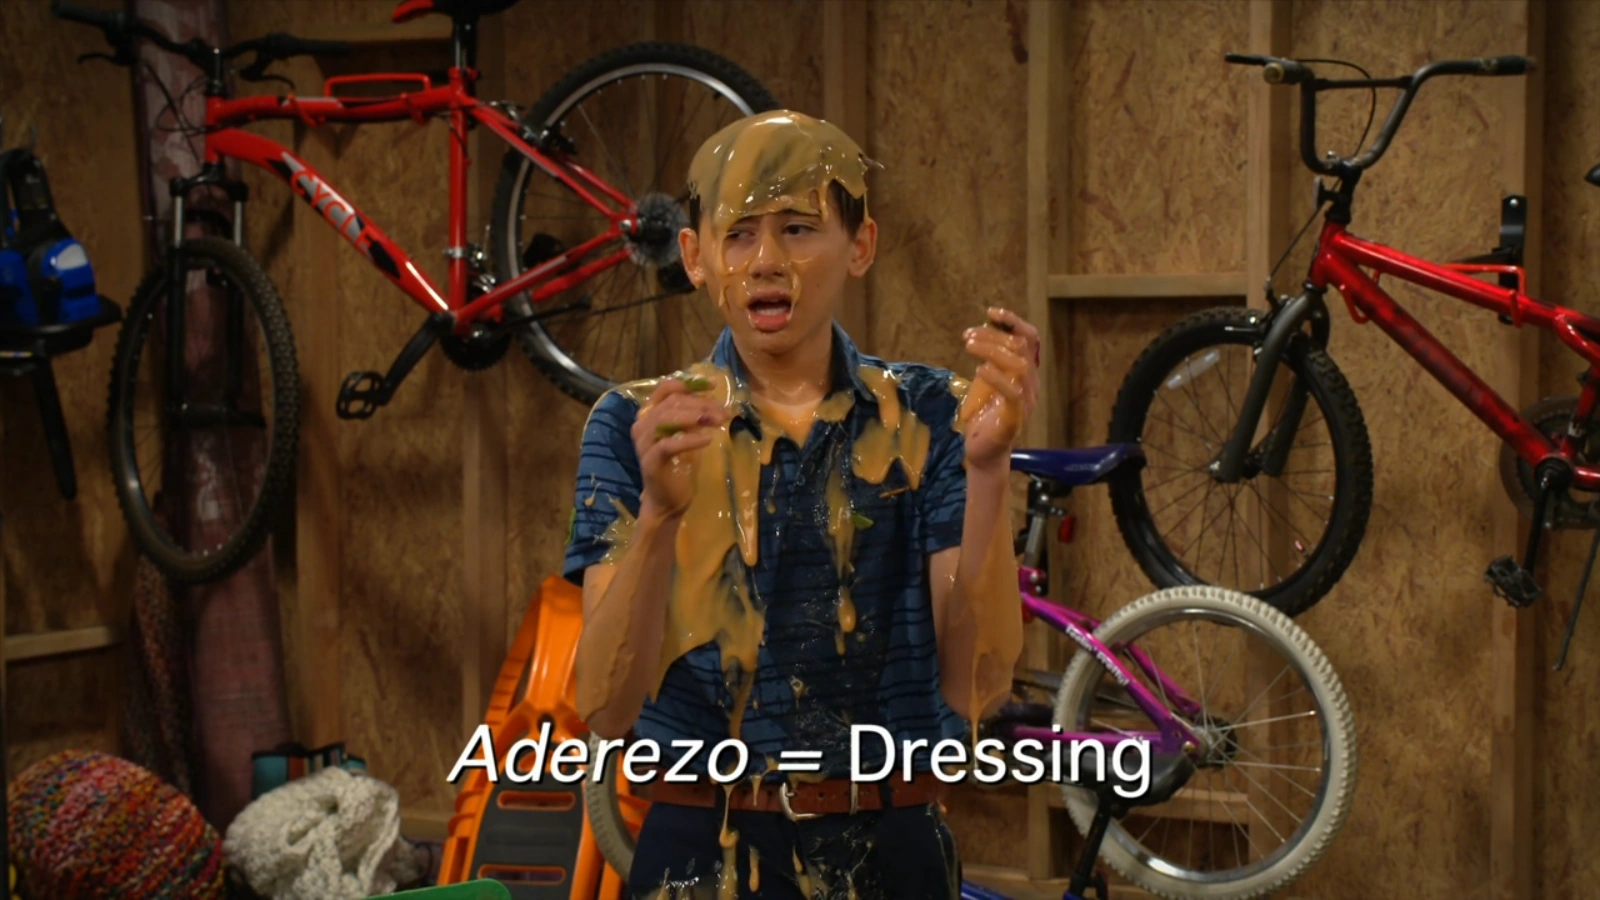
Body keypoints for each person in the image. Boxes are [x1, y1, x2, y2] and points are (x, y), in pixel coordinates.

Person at [563, 110, 1040, 900]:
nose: (767, 262)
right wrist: (658, 519)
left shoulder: (930, 417)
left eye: (797, 228)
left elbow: (977, 689)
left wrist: (988, 474)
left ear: (861, 245)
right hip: (701, 854)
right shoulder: (637, 425)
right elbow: (606, 711)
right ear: (695, 256)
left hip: (891, 845)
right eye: (739, 234)